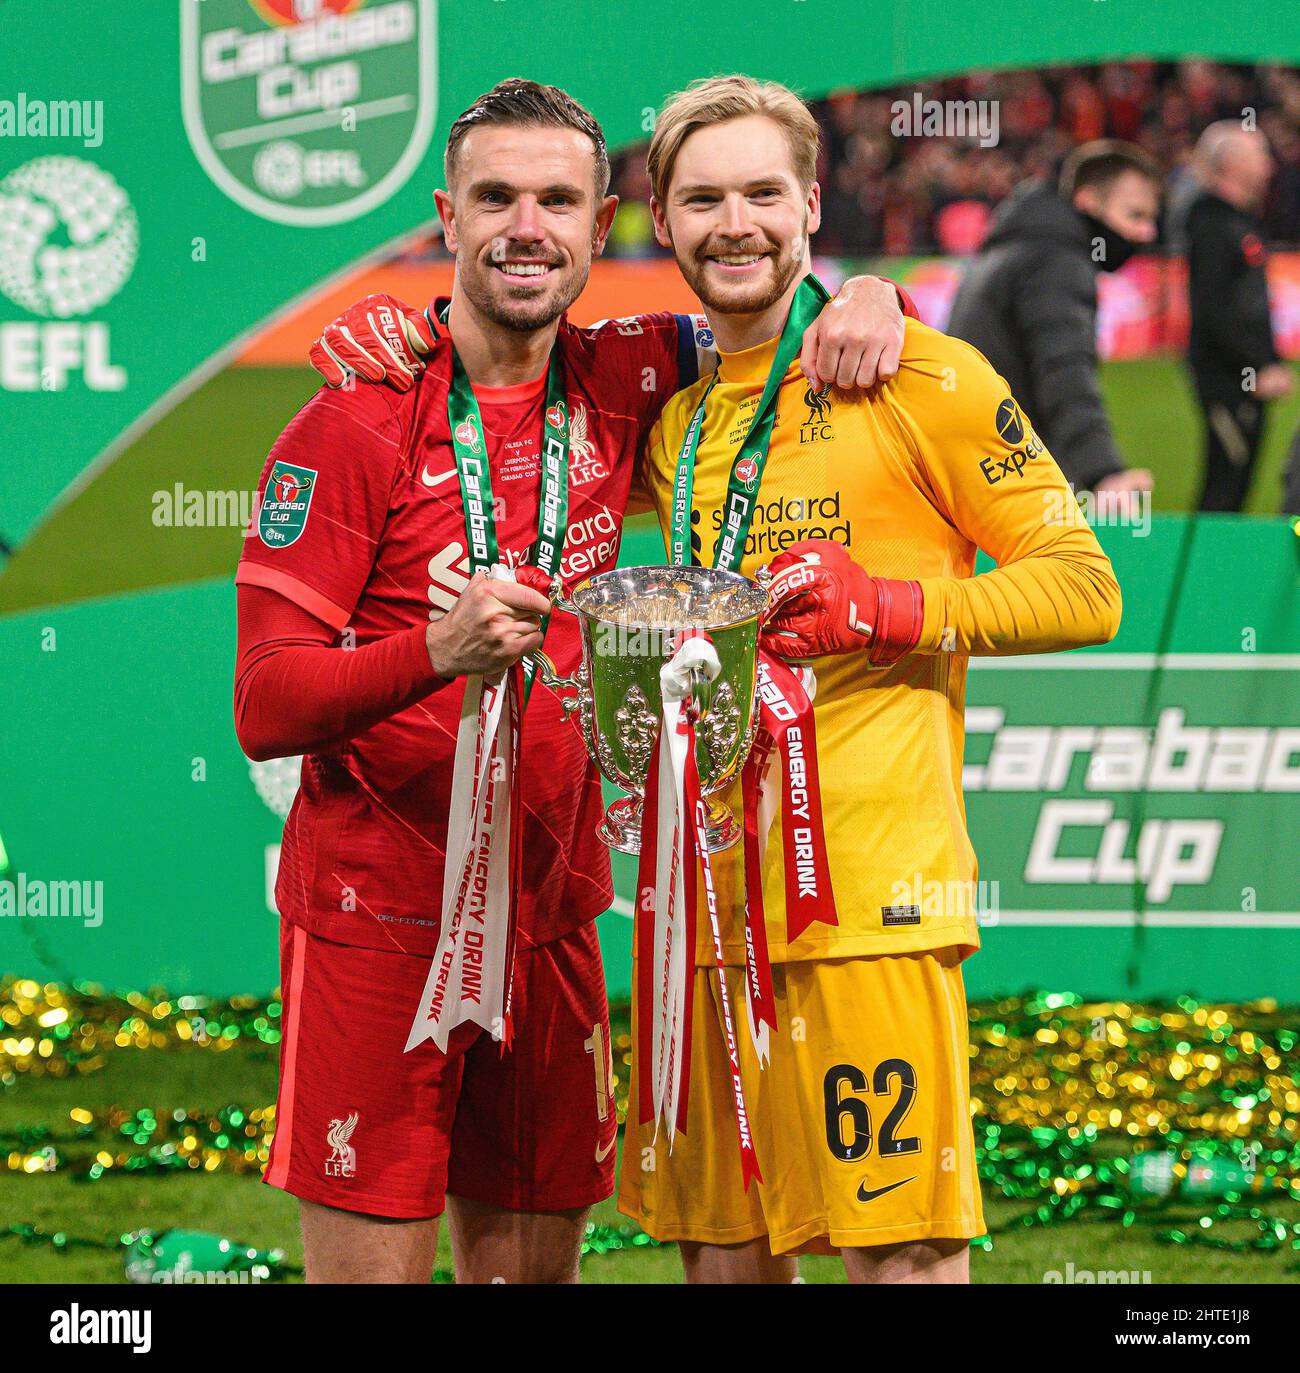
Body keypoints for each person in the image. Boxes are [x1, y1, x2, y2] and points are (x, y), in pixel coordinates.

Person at [236, 77, 907, 1285]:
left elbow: (770, 290)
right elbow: (265, 699)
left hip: (555, 911)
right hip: (383, 919)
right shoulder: (352, 421)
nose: (525, 226)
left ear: (607, 227)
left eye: (558, 198)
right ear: (447, 216)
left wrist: (867, 291)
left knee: (528, 1275)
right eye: (494, 197)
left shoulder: (628, 375)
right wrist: (430, 655)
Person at [618, 74, 1122, 1284]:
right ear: (664, 224)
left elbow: (1082, 585)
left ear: (808, 202)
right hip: (705, 901)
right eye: (700, 200)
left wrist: (886, 611)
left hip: (869, 908)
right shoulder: (677, 420)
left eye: (757, 193)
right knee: (722, 1258)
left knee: (898, 1256)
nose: (731, 222)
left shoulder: (922, 376)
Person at [947, 140, 1159, 516]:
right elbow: (1064, 371)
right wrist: (1103, 472)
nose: (1147, 233)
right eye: (1135, 215)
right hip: (1010, 470)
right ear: (1089, 201)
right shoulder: (1057, 261)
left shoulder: (1012, 246)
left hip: (970, 462)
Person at [1185, 122, 1294, 512]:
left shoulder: (1238, 221)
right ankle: (1204, 572)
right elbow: (1213, 310)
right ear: (1233, 164)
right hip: (1227, 380)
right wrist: (1259, 365)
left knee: (1235, 486)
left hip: (1242, 379)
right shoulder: (1213, 226)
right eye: (1260, 155)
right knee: (1224, 490)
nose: (1269, 165)